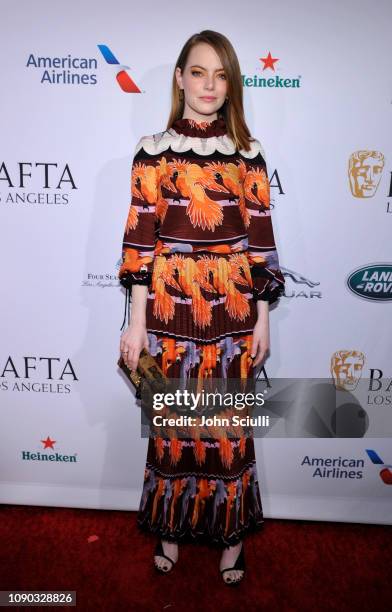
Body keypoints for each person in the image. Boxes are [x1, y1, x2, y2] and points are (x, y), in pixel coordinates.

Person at [118, 30, 285, 585]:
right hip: (168, 308)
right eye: (198, 72)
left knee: (228, 430)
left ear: (232, 84)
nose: (209, 85)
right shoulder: (152, 150)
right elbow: (139, 242)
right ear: (179, 77)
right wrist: (135, 324)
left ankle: (231, 538)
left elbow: (261, 243)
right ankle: (171, 530)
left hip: (234, 310)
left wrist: (263, 319)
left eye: (220, 74)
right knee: (173, 427)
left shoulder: (248, 155)